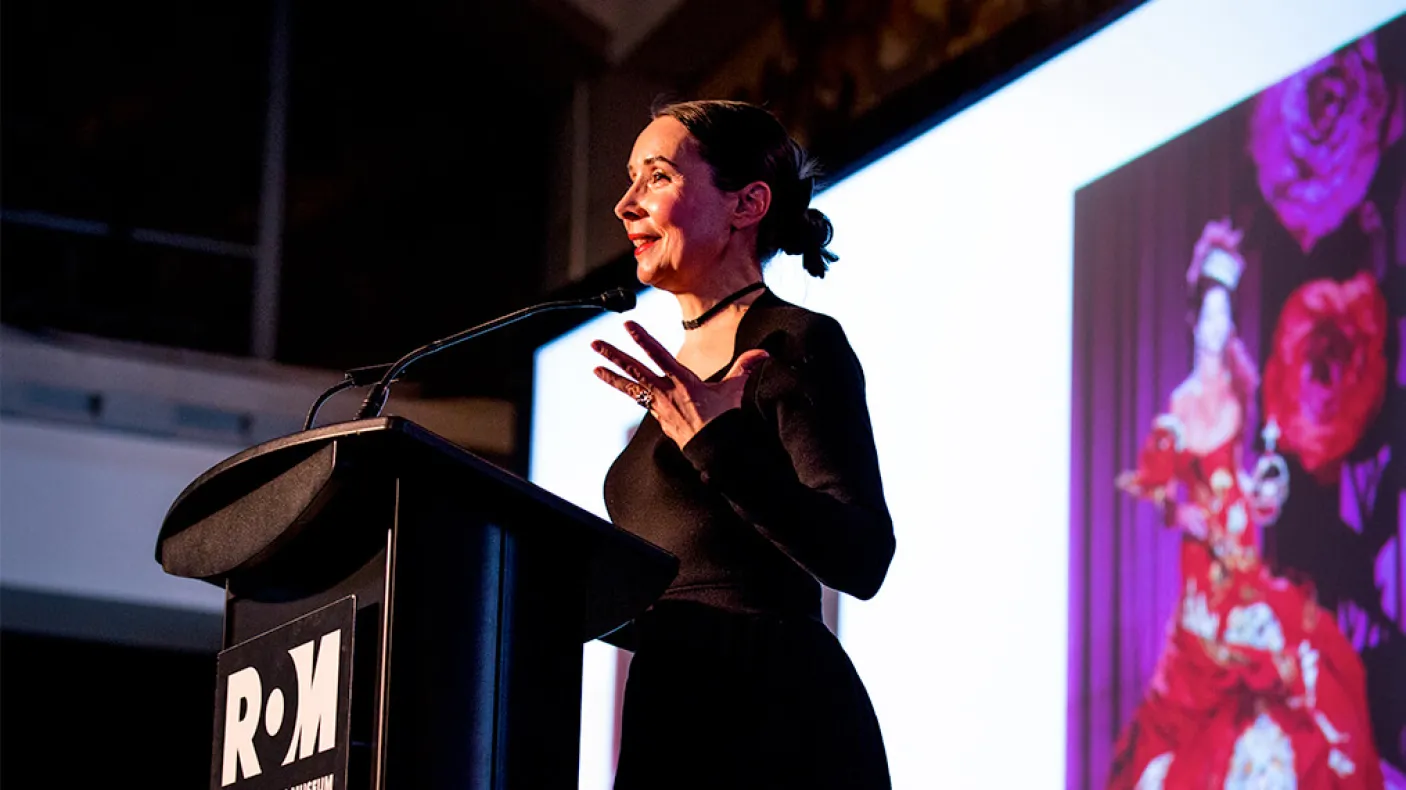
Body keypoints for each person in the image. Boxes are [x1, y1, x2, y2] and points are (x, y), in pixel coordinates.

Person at [588, 99, 894, 788]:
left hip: (772, 714)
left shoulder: (794, 345)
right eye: (630, 177)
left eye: (657, 177)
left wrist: (718, 446)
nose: (625, 204)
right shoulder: (674, 383)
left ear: (746, 204)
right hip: (671, 710)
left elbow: (863, 555)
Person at [1108, 219, 1384, 789]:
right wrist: (1197, 519)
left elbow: (1237, 476)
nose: (1216, 326)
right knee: (1211, 693)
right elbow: (1156, 493)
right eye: (1208, 314)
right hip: (1206, 572)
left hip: (1246, 556)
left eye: (1224, 313)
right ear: (1192, 321)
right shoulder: (1179, 406)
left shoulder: (1237, 387)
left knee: (1307, 671)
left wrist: (1259, 494)